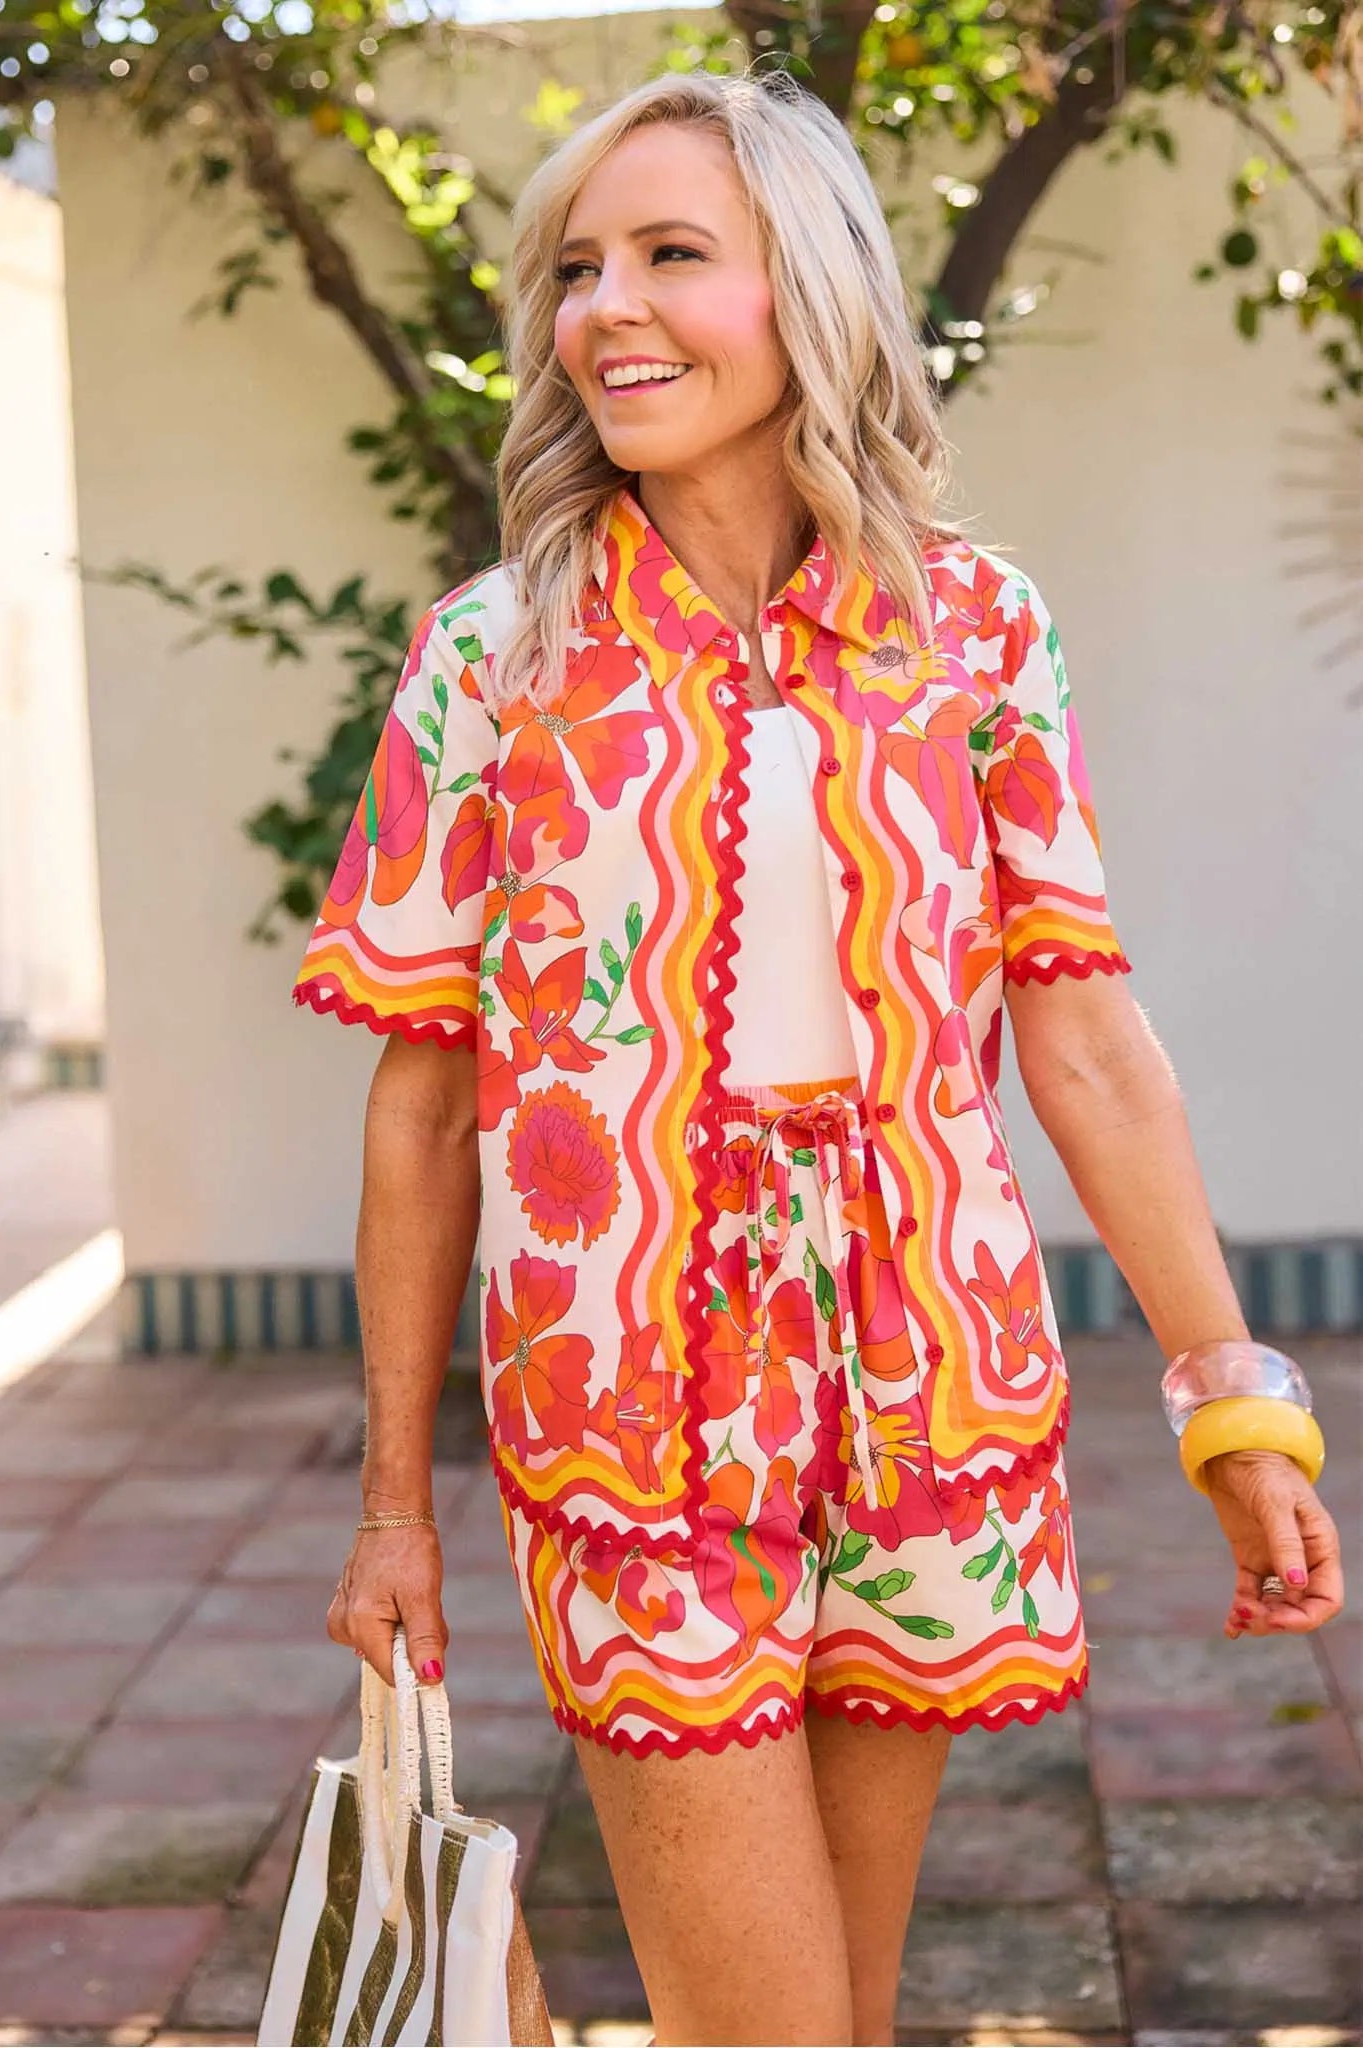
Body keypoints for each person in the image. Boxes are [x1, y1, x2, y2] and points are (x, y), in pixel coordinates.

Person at [299, 69, 1344, 2048]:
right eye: (576, 269)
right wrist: (390, 1505)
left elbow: (1081, 1032)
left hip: (928, 1394)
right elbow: (424, 1106)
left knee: (834, 2023)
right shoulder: (486, 661)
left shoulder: (977, 629)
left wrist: (1231, 1397)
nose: (605, 308)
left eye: (669, 254)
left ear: (812, 293)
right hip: (629, 1412)